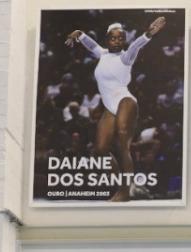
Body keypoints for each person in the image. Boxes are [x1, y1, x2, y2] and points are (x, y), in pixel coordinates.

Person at [66, 16, 167, 201]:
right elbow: (90, 44)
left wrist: (148, 34)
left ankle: (125, 191)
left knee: (122, 144)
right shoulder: (102, 54)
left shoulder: (126, 57)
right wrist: (79, 34)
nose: (118, 41)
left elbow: (136, 46)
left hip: (125, 100)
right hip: (109, 106)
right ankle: (124, 183)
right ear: (108, 40)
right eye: (114, 38)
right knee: (100, 150)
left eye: (121, 38)